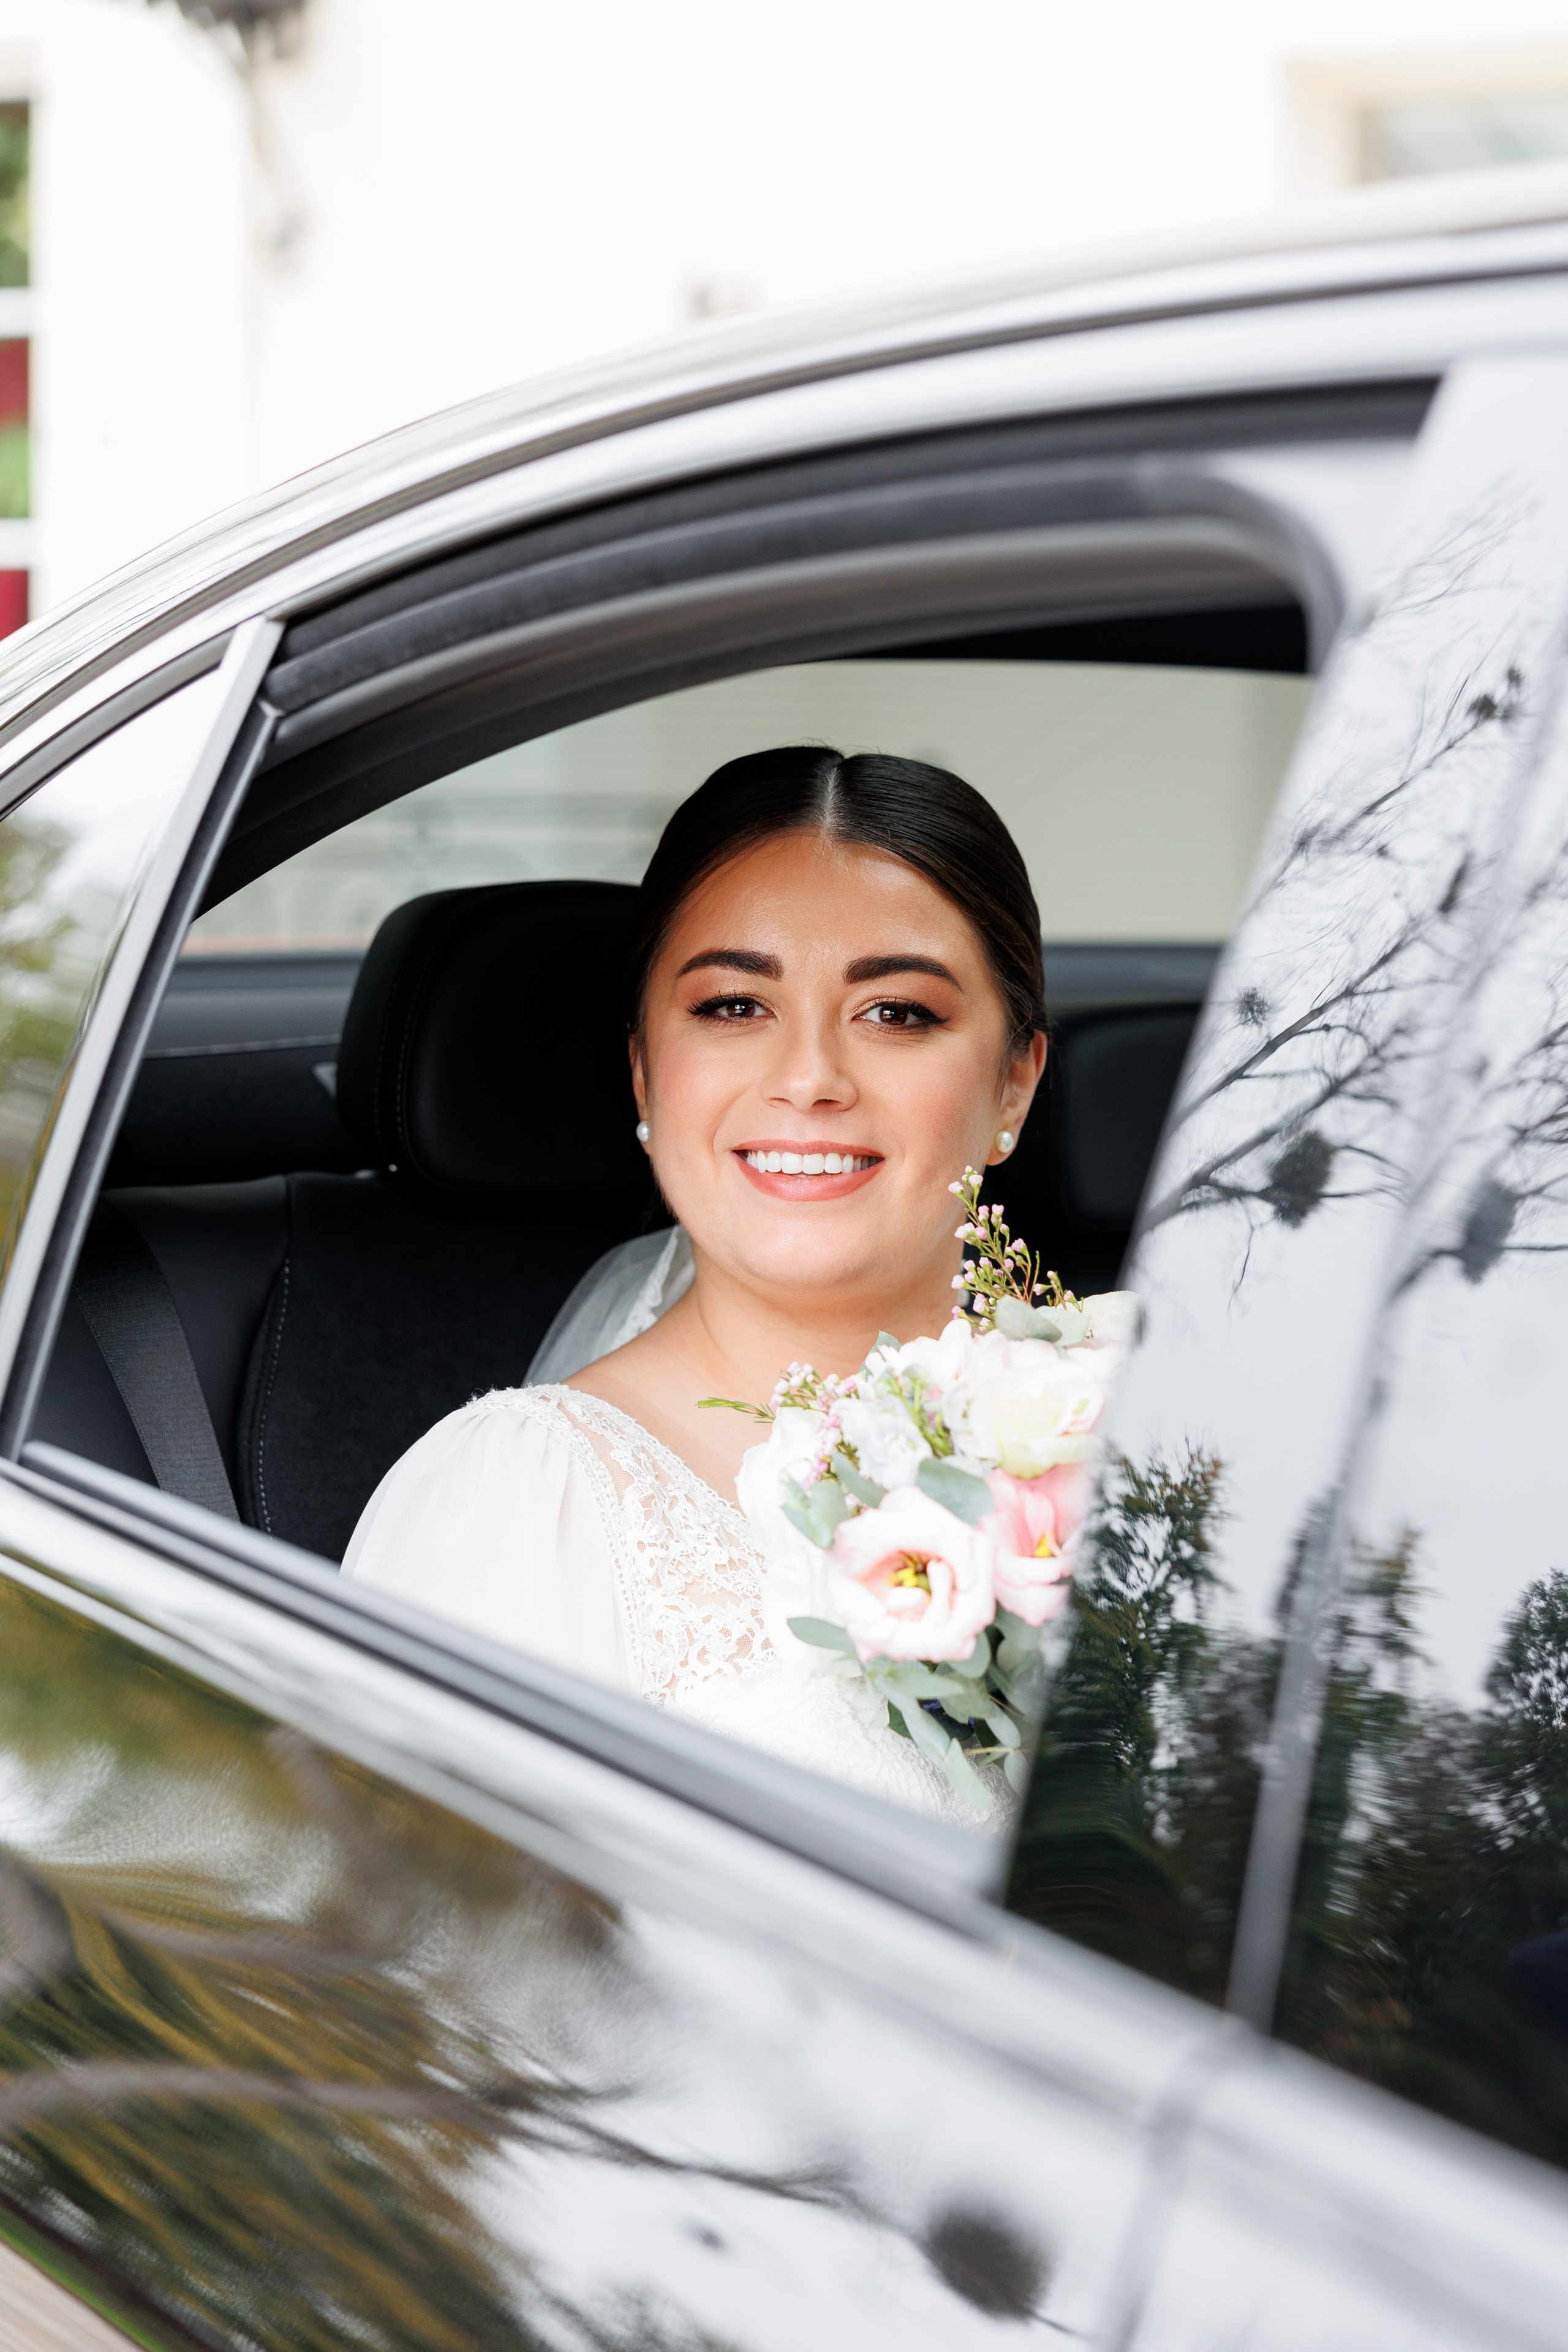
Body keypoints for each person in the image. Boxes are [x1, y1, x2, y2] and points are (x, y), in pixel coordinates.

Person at [344, 747, 1048, 1822]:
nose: (810, 1079)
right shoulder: (522, 1505)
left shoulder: (1140, 1425)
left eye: (898, 1012)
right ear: (642, 1072)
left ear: (1014, 1084)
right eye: (732, 1007)